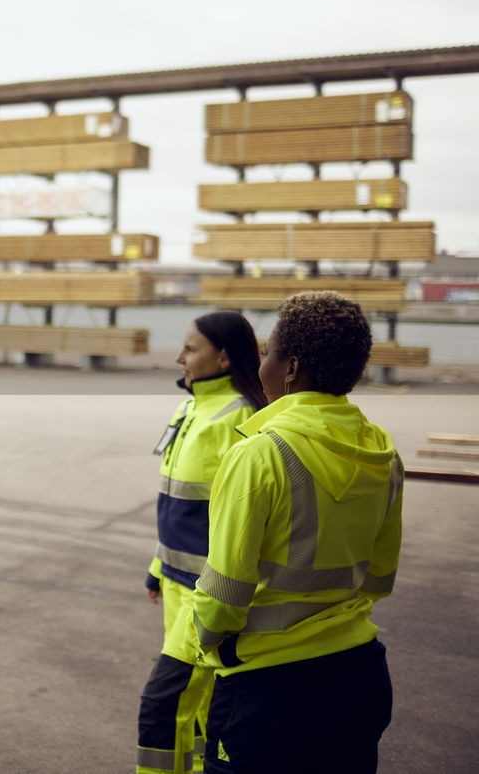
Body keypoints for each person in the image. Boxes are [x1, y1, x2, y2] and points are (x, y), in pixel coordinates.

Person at [192, 291, 402, 773]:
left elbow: (223, 594)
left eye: (267, 353)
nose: (261, 366)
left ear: (291, 368)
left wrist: (208, 644)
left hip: (270, 691)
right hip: (359, 675)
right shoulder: (385, 456)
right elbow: (379, 580)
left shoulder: (259, 455)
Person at [137, 312, 267, 774]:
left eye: (191, 349)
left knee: (163, 704)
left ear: (225, 356)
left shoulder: (242, 419)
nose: (179, 358)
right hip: (175, 581)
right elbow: (182, 503)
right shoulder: (190, 408)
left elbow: (242, 521)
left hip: (207, 593)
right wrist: (158, 564)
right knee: (196, 703)